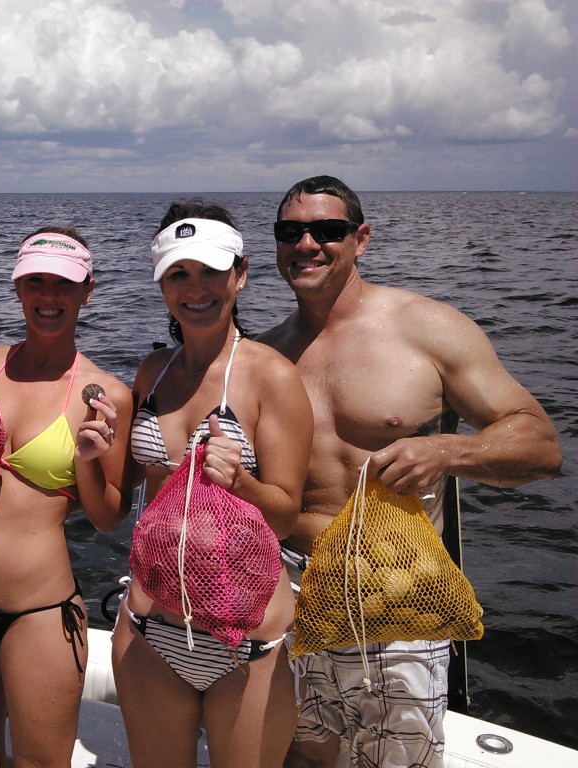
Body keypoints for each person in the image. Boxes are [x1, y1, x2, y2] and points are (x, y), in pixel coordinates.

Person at [256, 175, 562, 768]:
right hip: (290, 591)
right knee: (303, 755)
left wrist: (446, 451)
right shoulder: (265, 355)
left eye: (327, 230)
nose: (308, 244)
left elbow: (541, 444)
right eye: (291, 232)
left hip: (399, 596)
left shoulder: (428, 328)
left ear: (361, 238)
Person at [111, 201, 314, 768]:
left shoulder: (271, 376)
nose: (195, 288)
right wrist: (95, 447)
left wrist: (242, 484)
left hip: (249, 643)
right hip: (151, 626)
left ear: (241, 275)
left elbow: (284, 517)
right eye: (178, 273)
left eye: (210, 272)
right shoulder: (153, 371)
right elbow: (129, 495)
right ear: (161, 284)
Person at [0, 226, 133, 767]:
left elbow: (109, 518)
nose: (48, 297)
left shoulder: (105, 393)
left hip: (39, 613)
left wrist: (88, 465)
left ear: (87, 291)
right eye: (35, 282)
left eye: (63, 285)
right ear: (17, 288)